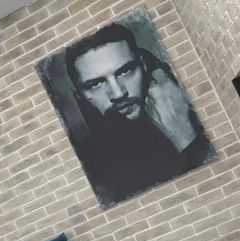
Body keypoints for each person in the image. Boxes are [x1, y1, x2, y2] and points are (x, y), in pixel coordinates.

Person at [65, 23, 213, 206]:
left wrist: (185, 135)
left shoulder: (195, 112)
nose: (118, 93)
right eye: (96, 84)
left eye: (125, 71)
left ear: (144, 66)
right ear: (81, 96)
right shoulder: (92, 170)